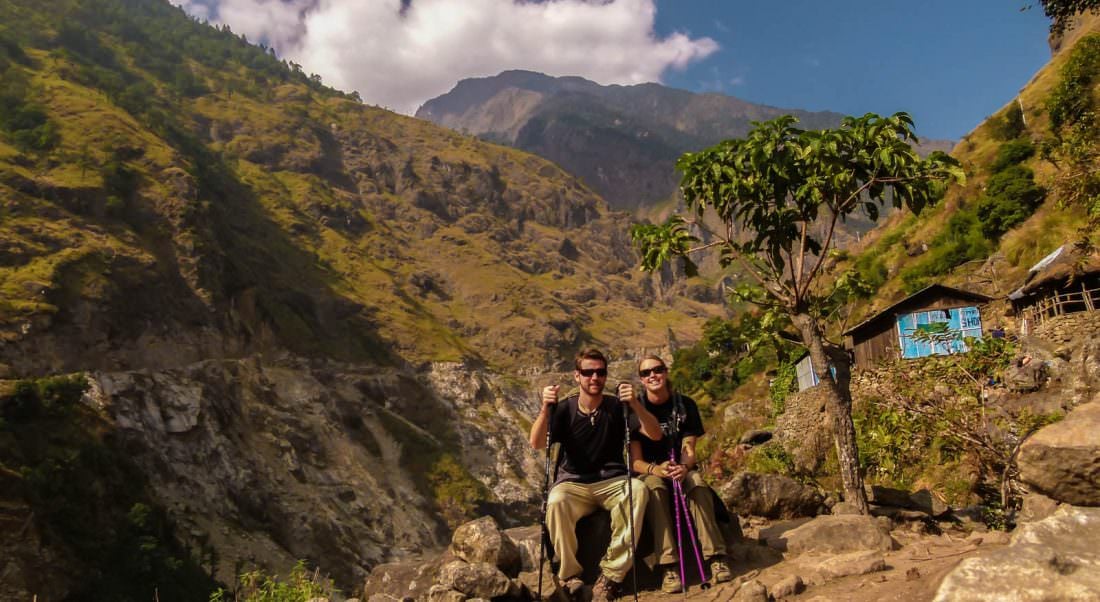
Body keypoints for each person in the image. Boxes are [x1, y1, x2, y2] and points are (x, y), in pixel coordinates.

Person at [529, 348, 663, 601]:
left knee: (638, 490)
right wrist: (545, 409)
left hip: (612, 480)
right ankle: (570, 575)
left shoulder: (616, 407)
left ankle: (612, 575)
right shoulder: (565, 409)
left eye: (600, 372)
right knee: (555, 502)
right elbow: (536, 442)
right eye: (588, 372)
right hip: (573, 482)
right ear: (577, 376)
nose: (594, 378)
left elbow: (655, 434)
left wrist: (635, 403)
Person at [630, 355, 732, 593]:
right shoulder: (635, 410)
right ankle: (668, 566)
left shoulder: (685, 404)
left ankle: (716, 558)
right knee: (654, 488)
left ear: (665, 373)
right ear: (641, 380)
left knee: (696, 481)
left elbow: (690, 448)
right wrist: (657, 469)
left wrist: (683, 467)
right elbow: (635, 462)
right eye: (646, 373)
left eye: (657, 370)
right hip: (652, 469)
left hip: (680, 467)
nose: (652, 375)